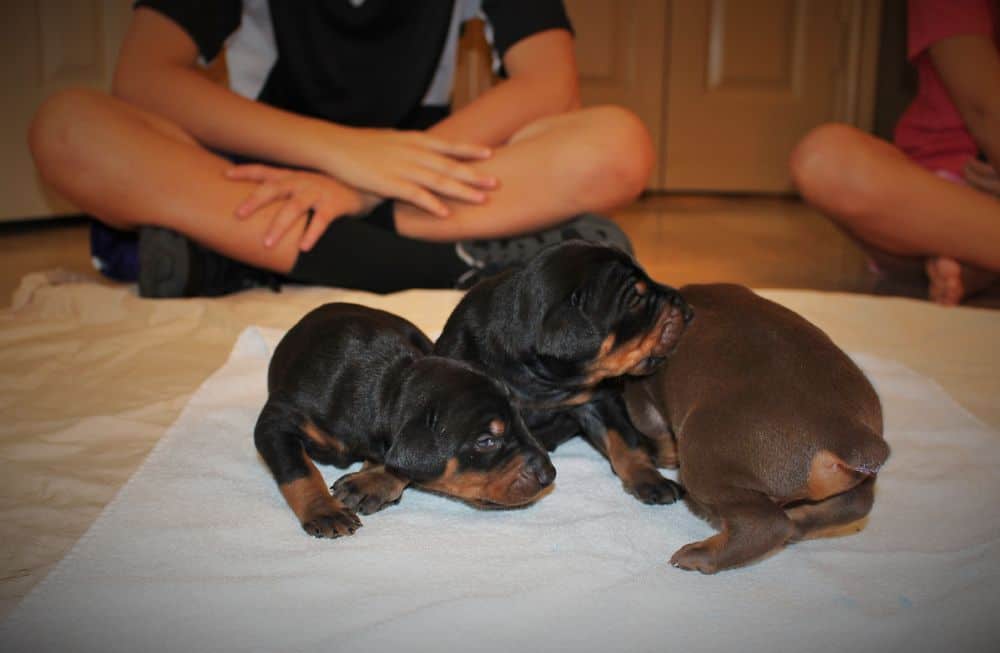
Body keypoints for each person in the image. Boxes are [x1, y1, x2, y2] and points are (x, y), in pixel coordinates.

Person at [28, 0, 653, 297]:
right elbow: (143, 77)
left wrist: (362, 185)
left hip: (415, 180)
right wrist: (343, 153)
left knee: (619, 145)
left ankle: (238, 257)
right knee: (68, 130)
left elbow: (550, 82)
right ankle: (452, 266)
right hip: (255, 178)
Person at [790, 0, 1000, 306]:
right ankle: (974, 252)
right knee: (823, 159)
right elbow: (985, 109)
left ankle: (976, 259)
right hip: (939, 190)